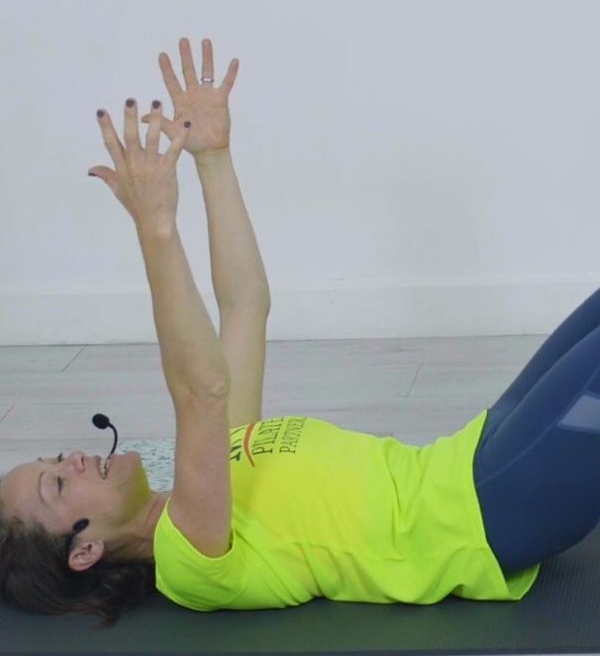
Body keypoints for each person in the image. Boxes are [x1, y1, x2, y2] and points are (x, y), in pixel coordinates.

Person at [2, 38, 600, 628]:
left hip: (476, 453)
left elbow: (245, 307)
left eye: (57, 457)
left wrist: (213, 159)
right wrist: (156, 229)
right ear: (84, 551)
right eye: (58, 482)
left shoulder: (220, 457)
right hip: (491, 511)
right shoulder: (190, 559)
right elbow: (200, 391)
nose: (75, 457)